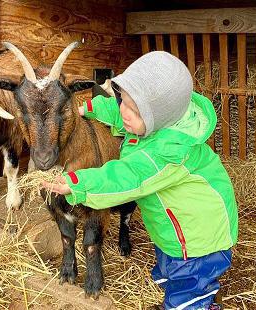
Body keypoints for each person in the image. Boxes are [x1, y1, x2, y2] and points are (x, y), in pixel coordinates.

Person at [42, 51, 238, 310]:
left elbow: (126, 178)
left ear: (157, 116)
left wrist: (78, 184)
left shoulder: (167, 153)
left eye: (134, 109)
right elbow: (118, 111)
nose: (124, 111)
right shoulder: (155, 120)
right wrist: (86, 108)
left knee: (188, 290)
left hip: (197, 241)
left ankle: (193, 305)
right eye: (123, 100)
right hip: (174, 230)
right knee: (170, 273)